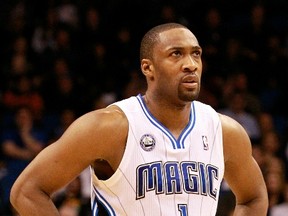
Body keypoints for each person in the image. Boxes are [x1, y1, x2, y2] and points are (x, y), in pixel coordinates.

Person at [10, 22, 268, 215]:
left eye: (196, 53)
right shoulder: (109, 127)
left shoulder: (224, 131)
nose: (191, 64)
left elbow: (254, 198)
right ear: (148, 67)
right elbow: (27, 191)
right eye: (176, 54)